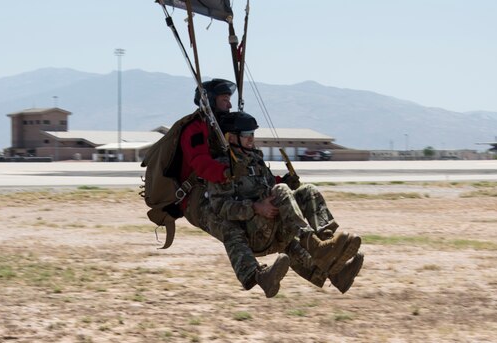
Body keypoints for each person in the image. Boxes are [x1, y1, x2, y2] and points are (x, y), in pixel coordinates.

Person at [141, 79, 289, 297]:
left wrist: (276, 181)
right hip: (194, 199)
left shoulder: (222, 127)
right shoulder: (196, 129)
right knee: (229, 226)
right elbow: (201, 163)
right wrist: (227, 173)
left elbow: (247, 165)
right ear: (210, 101)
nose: (229, 105)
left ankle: (321, 264)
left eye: (229, 100)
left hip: (219, 189)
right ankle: (256, 276)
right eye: (224, 100)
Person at [207, 111, 365, 293]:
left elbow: (268, 187)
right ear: (231, 137)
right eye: (246, 135)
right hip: (251, 233)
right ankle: (314, 245)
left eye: (252, 134)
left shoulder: (255, 159)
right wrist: (256, 208)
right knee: (281, 191)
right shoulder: (223, 166)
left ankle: (331, 253)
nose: (251, 139)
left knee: (307, 191)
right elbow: (220, 207)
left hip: (271, 225)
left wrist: (287, 182)